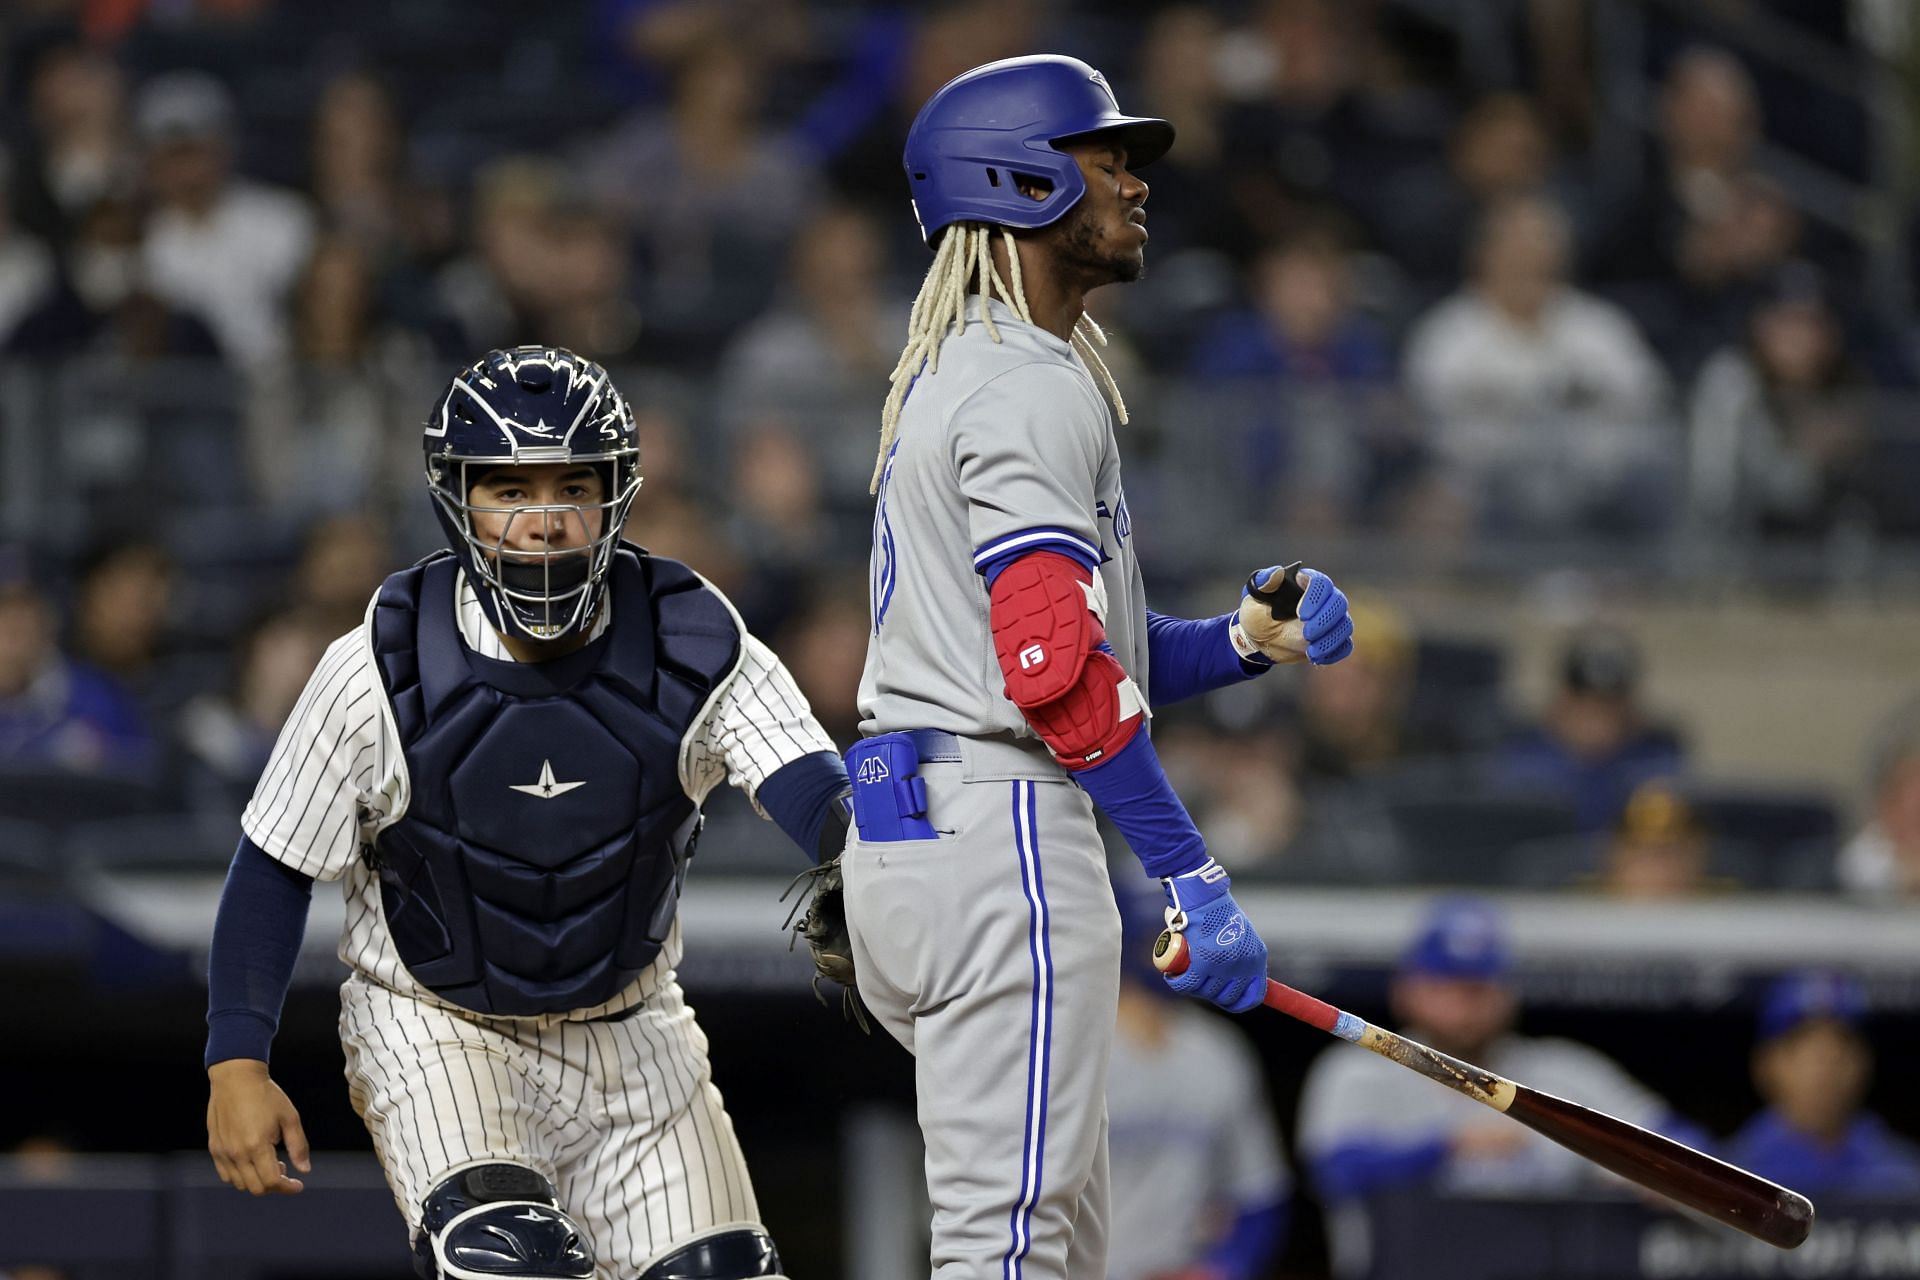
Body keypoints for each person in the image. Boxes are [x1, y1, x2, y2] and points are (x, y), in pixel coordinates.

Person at [839, 56, 1354, 1280]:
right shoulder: (1024, 384)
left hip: (935, 819)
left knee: (1056, 1243)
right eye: (1105, 155)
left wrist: (1242, 642)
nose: (1133, 181)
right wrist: (1190, 869)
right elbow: (1056, 675)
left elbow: (1075, 655)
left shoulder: (979, 367)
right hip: (1000, 828)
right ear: (1014, 179)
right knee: (1011, 1247)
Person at [202, 348, 851, 1280]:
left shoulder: (691, 634)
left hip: (634, 1032)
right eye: (508, 489)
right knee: (510, 1263)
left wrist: (874, 868)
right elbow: (271, 867)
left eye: (572, 487)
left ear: (615, 496)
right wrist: (237, 1061)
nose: (544, 522)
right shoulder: (381, 660)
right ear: (458, 501)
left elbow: (814, 790)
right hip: (438, 1027)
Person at [1296, 899, 1691, 1206]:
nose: (1462, 1005)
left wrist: (1654, 1175)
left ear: (1507, 995)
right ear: (1405, 991)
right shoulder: (1360, 1070)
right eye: (1444, 986)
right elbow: (1335, 1175)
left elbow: (1684, 1146)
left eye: (1477, 988)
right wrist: (1448, 1147)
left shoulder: (1564, 1071)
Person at [1105, 874, 1290, 1280]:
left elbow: (1260, 1194)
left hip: (1176, 1266)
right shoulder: (1061, 1046)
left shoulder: (1217, 1051)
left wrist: (1223, 1267)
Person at [1727, 972, 1920, 1196]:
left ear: (1864, 1063)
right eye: (1805, 1052)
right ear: (1766, 1064)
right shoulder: (1733, 1172)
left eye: (1839, 1050)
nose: (1824, 1070)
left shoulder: (1902, 1173)